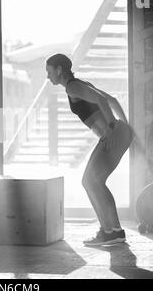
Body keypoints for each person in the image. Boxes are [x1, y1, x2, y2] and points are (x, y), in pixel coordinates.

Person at [46, 53, 133, 246]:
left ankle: (109, 232)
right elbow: (112, 100)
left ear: (59, 70)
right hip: (118, 133)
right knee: (94, 182)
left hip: (112, 134)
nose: (48, 76)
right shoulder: (80, 84)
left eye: (49, 71)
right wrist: (124, 128)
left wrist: (112, 128)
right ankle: (113, 231)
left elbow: (104, 102)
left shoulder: (72, 87)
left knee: (90, 181)